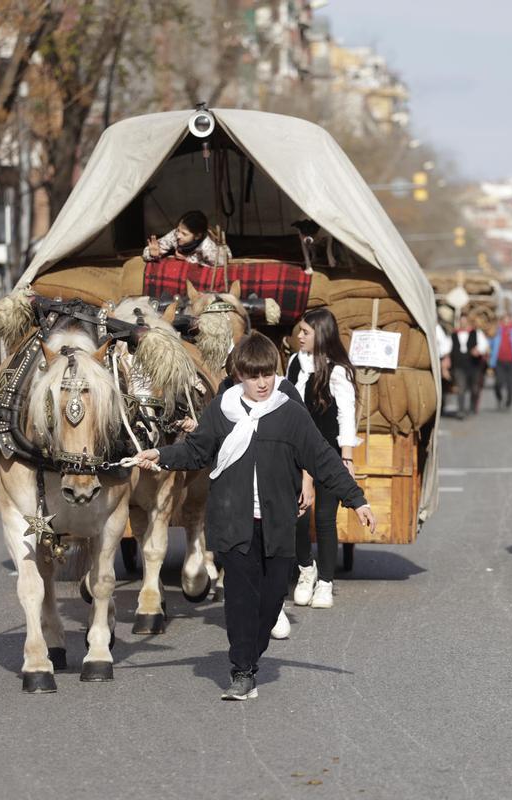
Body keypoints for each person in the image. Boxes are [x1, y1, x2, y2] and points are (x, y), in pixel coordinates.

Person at [136, 332, 375, 701]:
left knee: (271, 599)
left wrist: (356, 499)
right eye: (253, 376)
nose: (262, 383)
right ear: (239, 377)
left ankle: (252, 652)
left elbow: (322, 457)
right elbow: (197, 452)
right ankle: (242, 671)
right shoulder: (221, 410)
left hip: (279, 523)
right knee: (240, 601)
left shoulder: (290, 413)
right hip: (234, 522)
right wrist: (161, 456)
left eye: (267, 375)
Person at [285, 307, 360, 613]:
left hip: (327, 452)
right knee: (298, 516)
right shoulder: (293, 363)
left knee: (325, 518)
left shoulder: (338, 370)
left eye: (305, 332)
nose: (298, 336)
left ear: (321, 334)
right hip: (294, 452)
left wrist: (347, 458)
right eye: (299, 331)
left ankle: (326, 582)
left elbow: (346, 415)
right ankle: (306, 571)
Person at [143, 210, 226, 266]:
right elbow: (147, 251)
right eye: (178, 230)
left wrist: (188, 259)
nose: (179, 235)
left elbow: (222, 263)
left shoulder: (207, 246)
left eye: (184, 234)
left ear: (197, 236)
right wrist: (152, 255)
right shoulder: (175, 235)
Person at [449, 313, 488, 418]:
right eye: (461, 321)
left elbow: (484, 345)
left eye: (465, 321)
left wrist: (478, 350)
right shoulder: (453, 334)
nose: (463, 323)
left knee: (474, 388)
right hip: (459, 365)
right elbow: (448, 347)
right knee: (461, 388)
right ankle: (461, 410)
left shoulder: (476, 333)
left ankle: (472, 407)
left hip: (473, 366)